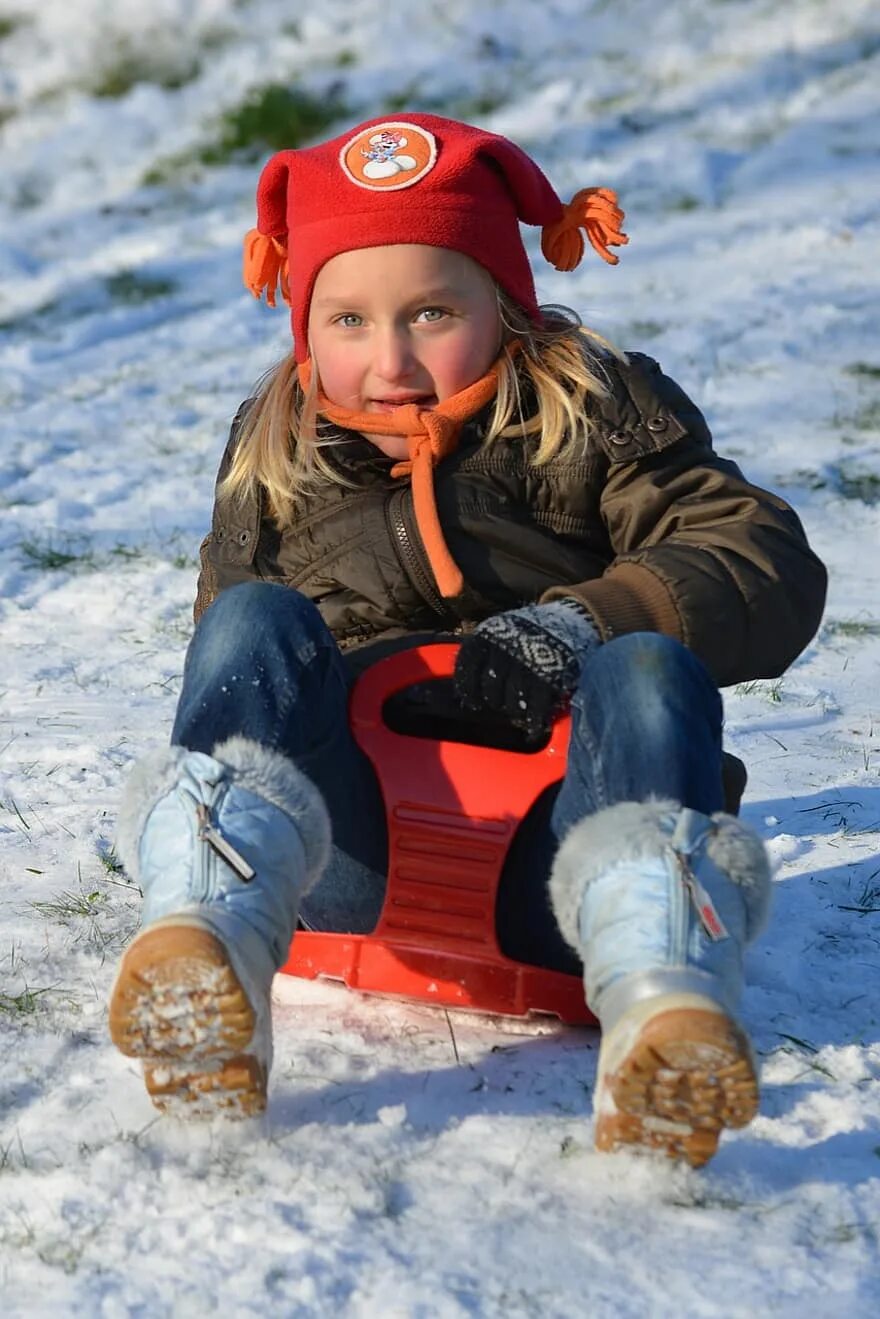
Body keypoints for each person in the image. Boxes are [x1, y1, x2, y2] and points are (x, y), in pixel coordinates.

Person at [109, 113, 826, 1166]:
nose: (388, 359)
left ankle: (659, 995)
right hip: (340, 866)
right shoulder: (279, 449)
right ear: (304, 320)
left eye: (431, 312)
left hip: (559, 871)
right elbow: (235, 678)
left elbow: (758, 553)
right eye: (347, 321)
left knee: (647, 666)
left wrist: (580, 621)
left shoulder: (592, 407)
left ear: (505, 301)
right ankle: (208, 939)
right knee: (251, 623)